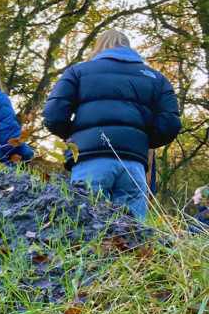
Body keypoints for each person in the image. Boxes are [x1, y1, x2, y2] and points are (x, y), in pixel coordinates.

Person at [44, 30, 181, 219]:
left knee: (86, 229)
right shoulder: (156, 78)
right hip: (134, 166)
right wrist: (143, 141)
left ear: (99, 47)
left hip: (89, 160)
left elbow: (53, 115)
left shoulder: (78, 72)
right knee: (132, 236)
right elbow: (170, 123)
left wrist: (75, 138)